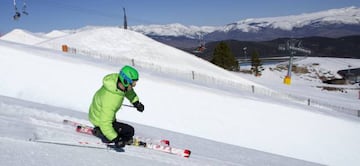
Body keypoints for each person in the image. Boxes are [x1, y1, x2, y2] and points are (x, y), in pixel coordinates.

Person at [88, 65, 145, 148]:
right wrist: (116, 139)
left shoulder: (117, 83)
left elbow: (129, 92)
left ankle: (107, 133)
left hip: (98, 114)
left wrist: (136, 102)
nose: (134, 85)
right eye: (133, 83)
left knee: (126, 130)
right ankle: (101, 133)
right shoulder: (110, 99)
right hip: (99, 120)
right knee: (129, 131)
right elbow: (105, 123)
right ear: (125, 81)